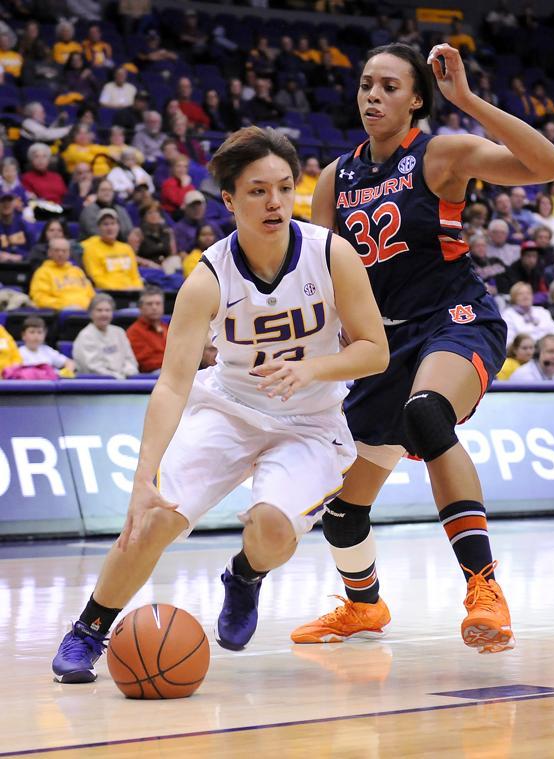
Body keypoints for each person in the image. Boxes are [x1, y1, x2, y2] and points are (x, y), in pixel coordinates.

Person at [51, 125, 389, 681]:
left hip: (309, 420)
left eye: (284, 187)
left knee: (273, 528)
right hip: (229, 406)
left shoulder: (332, 255)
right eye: (258, 190)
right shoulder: (208, 277)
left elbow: (375, 351)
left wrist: (311, 367)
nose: (274, 201)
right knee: (151, 519)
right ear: (230, 200)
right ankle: (89, 628)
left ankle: (246, 575)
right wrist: (143, 477)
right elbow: (172, 384)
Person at [289, 42, 554, 652]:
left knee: (427, 411)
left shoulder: (439, 154)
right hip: (383, 343)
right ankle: (364, 608)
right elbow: (329, 280)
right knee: (341, 514)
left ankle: (484, 588)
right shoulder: (335, 179)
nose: (373, 96)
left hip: (454, 319)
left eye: (389, 86)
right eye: (366, 85)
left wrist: (466, 101)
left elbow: (548, 166)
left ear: (417, 99)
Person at [72, 293, 139, 379]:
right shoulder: (85, 336)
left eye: (108, 310)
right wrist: (117, 377)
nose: (104, 314)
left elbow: (130, 360)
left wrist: (127, 372)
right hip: (98, 384)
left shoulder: (119, 332)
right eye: (99, 310)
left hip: (124, 379)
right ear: (90, 313)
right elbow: (93, 368)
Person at [81, 208, 143, 291]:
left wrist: (137, 289)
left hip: (132, 291)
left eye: (113, 224)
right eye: (105, 224)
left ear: (118, 226)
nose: (110, 228)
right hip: (109, 292)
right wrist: (121, 290)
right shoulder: (90, 248)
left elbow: (135, 276)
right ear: (99, 228)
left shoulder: (126, 248)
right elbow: (97, 278)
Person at [29, 237, 95, 311]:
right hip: (60, 313)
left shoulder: (77, 271)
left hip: (86, 312)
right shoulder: (42, 272)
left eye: (64, 251)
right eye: (57, 250)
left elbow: (91, 294)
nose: (60, 254)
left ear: (69, 253)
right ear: (49, 252)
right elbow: (40, 298)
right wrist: (66, 305)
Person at [126, 286, 168, 373]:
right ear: (141, 308)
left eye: (158, 303)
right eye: (149, 304)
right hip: (152, 375)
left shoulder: (167, 328)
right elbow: (146, 364)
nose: (154, 307)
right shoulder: (134, 332)